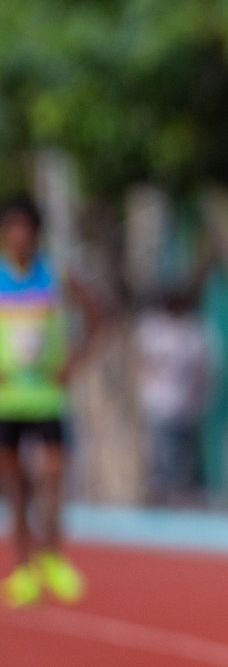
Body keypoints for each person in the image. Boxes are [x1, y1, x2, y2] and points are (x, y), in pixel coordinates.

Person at [0, 194, 104, 608]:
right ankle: (24, 567)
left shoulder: (55, 274)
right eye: (12, 228)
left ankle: (54, 557)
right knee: (16, 486)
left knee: (53, 478)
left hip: (47, 398)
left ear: (37, 234)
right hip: (7, 402)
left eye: (27, 229)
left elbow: (99, 315)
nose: (20, 237)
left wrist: (74, 362)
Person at [135, 289, 212, 505]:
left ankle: (183, 489)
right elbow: (141, 361)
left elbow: (201, 367)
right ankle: (160, 488)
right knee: (159, 447)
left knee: (182, 449)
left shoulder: (193, 330)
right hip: (156, 401)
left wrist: (197, 396)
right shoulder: (152, 327)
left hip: (183, 403)